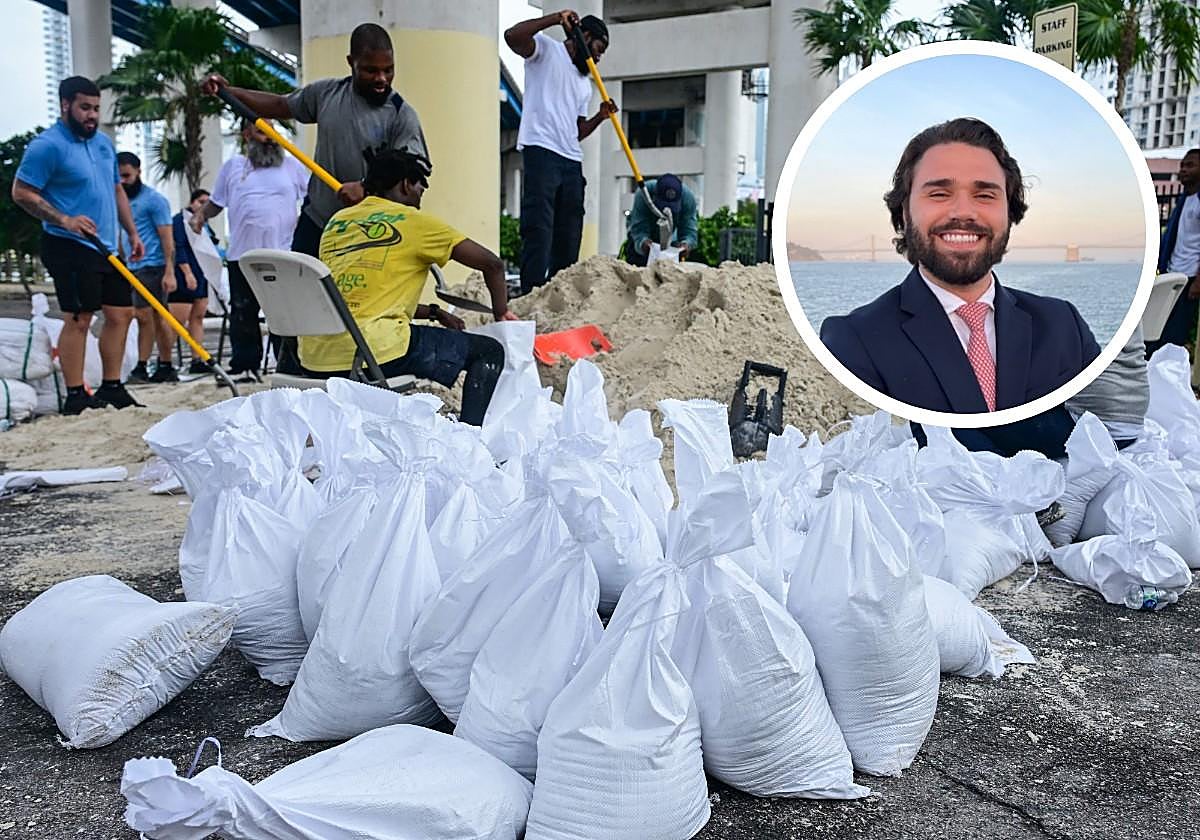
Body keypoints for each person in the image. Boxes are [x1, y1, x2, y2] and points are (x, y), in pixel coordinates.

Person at [819, 117, 1100, 459]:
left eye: (984, 194)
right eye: (939, 193)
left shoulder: (1062, 325)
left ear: (1009, 213)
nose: (963, 211)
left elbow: (1109, 432)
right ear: (904, 214)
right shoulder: (853, 341)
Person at [298, 147, 518, 426]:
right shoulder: (415, 222)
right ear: (405, 185)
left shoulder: (337, 223)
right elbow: (492, 264)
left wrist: (435, 312)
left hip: (316, 356)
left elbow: (362, 296)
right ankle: (470, 438)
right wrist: (501, 312)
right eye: (419, 191)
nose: (418, 200)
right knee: (489, 352)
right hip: (372, 353)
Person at [201, 22, 428, 257]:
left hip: (369, 232)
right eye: (371, 70)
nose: (381, 78)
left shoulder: (402, 115)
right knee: (299, 290)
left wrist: (366, 187)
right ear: (351, 63)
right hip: (318, 223)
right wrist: (228, 92)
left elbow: (414, 175)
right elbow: (280, 104)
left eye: (388, 70)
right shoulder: (327, 94)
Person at [11, 76, 144, 414]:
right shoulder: (47, 145)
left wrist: (132, 233)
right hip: (67, 242)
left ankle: (112, 386)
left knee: (121, 313)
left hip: (105, 246)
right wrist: (65, 219)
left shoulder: (102, 144)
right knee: (80, 317)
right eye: (85, 107)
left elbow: (116, 191)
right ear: (65, 105)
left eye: (96, 109)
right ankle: (75, 394)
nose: (92, 115)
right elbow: (22, 193)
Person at [505, 9, 617, 294]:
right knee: (539, 228)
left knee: (569, 233)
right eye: (598, 49)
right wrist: (555, 19)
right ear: (585, 36)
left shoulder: (584, 84)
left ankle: (560, 295)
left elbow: (577, 132)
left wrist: (599, 117)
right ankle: (532, 292)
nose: (599, 58)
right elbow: (512, 36)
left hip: (571, 160)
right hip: (541, 149)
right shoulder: (546, 50)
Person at [192, 121, 309, 379]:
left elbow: (311, 198)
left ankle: (288, 365)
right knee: (243, 311)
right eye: (261, 132)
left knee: (283, 312)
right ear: (247, 136)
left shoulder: (292, 166)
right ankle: (245, 365)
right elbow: (216, 203)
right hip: (242, 255)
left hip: (282, 254)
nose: (269, 139)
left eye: (273, 133)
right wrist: (200, 216)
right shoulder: (233, 167)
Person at [117, 152, 178, 385]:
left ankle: (145, 365)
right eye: (119, 176)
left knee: (147, 315)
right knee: (155, 316)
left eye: (127, 175)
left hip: (153, 265)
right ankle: (164, 363)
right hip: (131, 266)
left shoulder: (154, 200)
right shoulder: (120, 200)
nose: (123, 181)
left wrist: (169, 271)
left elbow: (167, 238)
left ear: (138, 172)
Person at [1146, 148, 1200, 356]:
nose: (1183, 170)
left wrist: (1198, 281)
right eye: (1182, 165)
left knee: (1175, 334)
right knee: (1159, 328)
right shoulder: (1185, 199)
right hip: (1173, 270)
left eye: (1190, 165)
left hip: (1189, 277)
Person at [171, 188, 218, 374]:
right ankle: (164, 359)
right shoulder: (179, 220)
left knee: (197, 317)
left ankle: (196, 358)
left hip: (202, 273)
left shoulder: (205, 224)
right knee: (178, 320)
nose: (203, 206)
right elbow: (179, 246)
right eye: (201, 202)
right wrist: (187, 273)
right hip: (185, 272)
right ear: (192, 202)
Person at [624, 174, 699, 266]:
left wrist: (686, 245)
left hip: (671, 244)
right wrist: (643, 243)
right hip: (644, 244)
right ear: (655, 196)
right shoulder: (644, 193)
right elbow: (639, 228)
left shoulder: (688, 198)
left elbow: (690, 231)